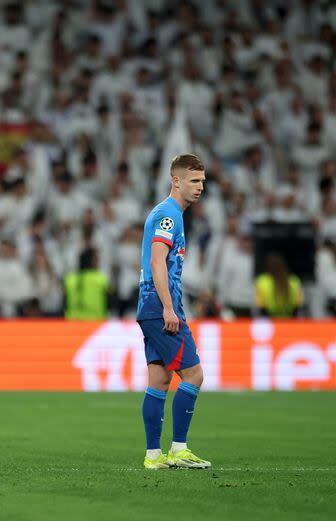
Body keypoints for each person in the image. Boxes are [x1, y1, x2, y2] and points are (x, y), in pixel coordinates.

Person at [137, 154, 211, 470]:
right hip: (160, 307)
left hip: (152, 306)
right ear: (176, 180)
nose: (200, 187)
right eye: (194, 181)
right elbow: (157, 261)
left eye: (203, 181)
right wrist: (169, 307)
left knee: (160, 379)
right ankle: (179, 449)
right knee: (194, 374)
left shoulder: (170, 214)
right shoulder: (168, 214)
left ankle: (154, 456)